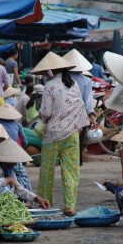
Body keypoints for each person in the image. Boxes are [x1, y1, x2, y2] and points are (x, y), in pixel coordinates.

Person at [31, 52, 89, 216]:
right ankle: (70, 205)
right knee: (71, 171)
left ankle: (45, 204)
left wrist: (41, 114)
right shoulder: (74, 84)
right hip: (72, 134)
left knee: (47, 172)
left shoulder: (50, 86)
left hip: (53, 134)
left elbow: (46, 112)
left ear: (50, 70)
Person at [0, 139, 50, 208]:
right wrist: (8, 180)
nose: (15, 164)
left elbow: (19, 188)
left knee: (12, 189)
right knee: (4, 189)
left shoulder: (8, 168)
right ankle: (15, 206)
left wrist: (37, 199)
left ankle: (16, 205)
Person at [63, 49, 98, 165]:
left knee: (66, 142)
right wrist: (92, 116)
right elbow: (88, 102)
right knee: (78, 141)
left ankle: (66, 161)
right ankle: (77, 162)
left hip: (64, 114)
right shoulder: (87, 80)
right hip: (80, 115)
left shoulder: (62, 79)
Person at [0, 104, 33, 191]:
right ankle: (27, 195)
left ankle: (11, 191)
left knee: (4, 174)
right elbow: (25, 141)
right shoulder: (17, 125)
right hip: (12, 152)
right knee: (21, 174)